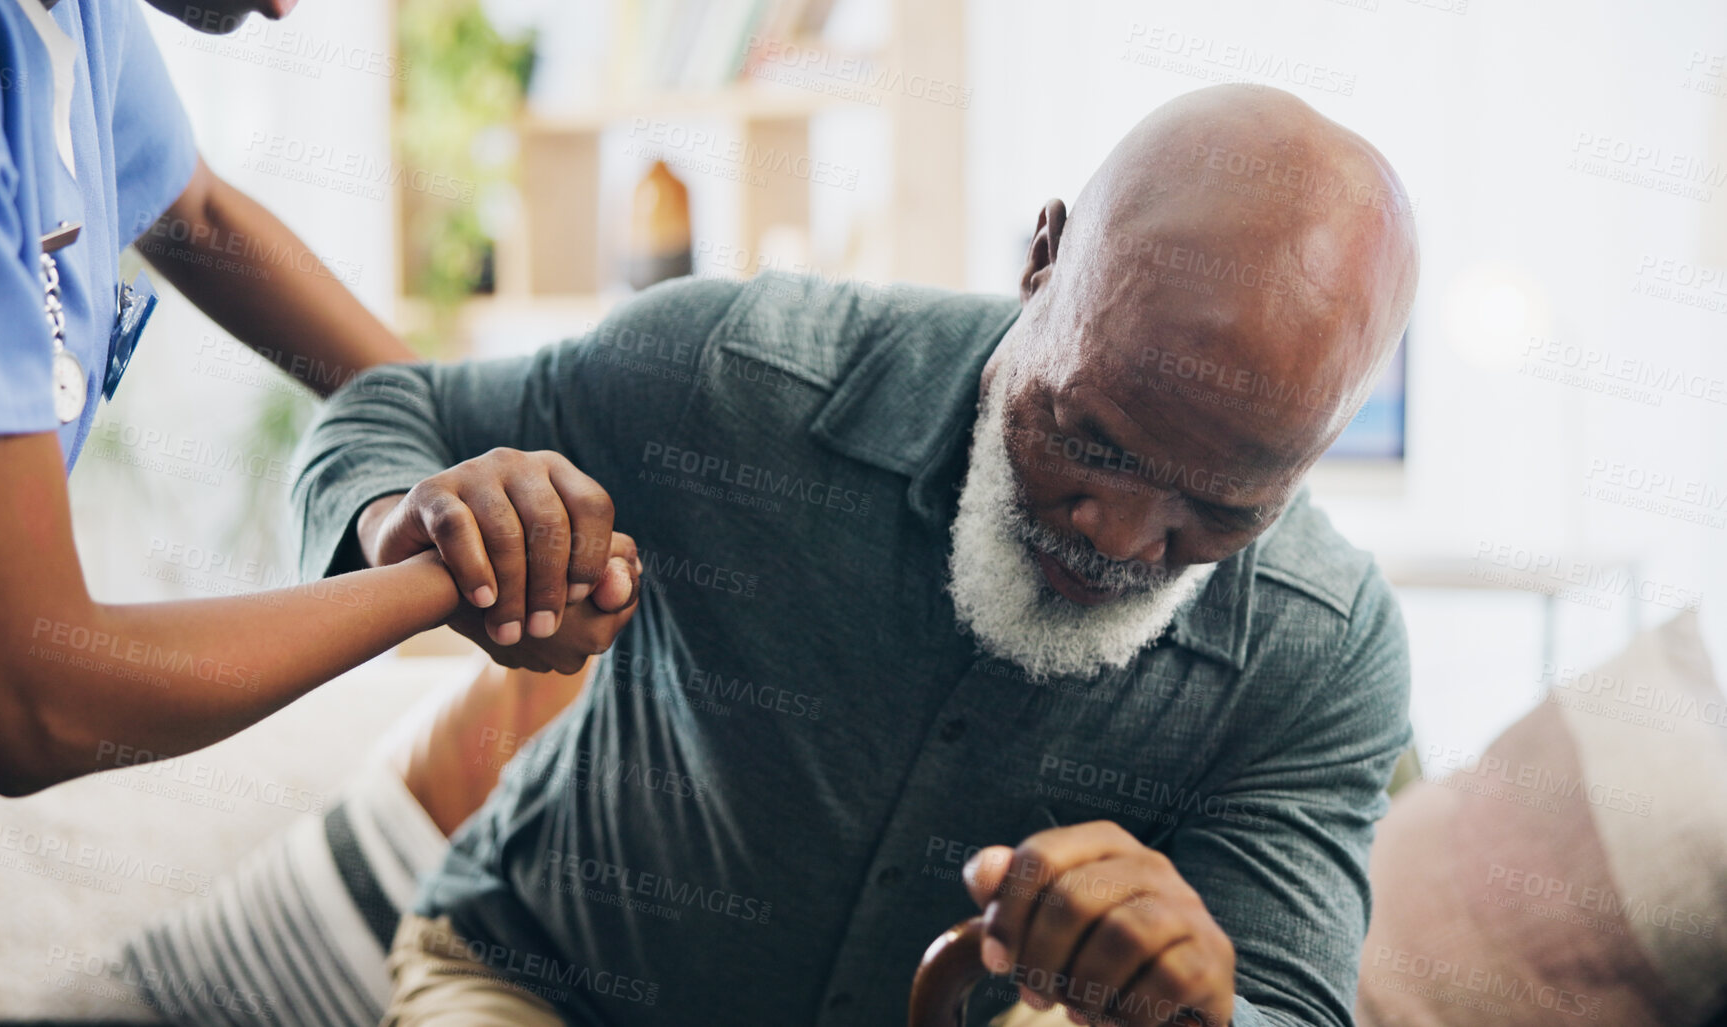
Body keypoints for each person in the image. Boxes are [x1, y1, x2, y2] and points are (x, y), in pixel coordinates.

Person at [295, 83, 1420, 1027]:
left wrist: (1195, 1011)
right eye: (1092, 440)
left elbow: (1283, 999)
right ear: (1044, 257)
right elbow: (394, 412)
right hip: (539, 987)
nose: (1120, 537)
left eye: (1220, 509)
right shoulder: (741, 378)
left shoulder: (1322, 650)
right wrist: (406, 522)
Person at [0, 0, 627, 1023]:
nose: (284, 7)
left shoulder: (74, 18)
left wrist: (479, 457)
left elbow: (202, 217)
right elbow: (29, 694)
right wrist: (450, 576)